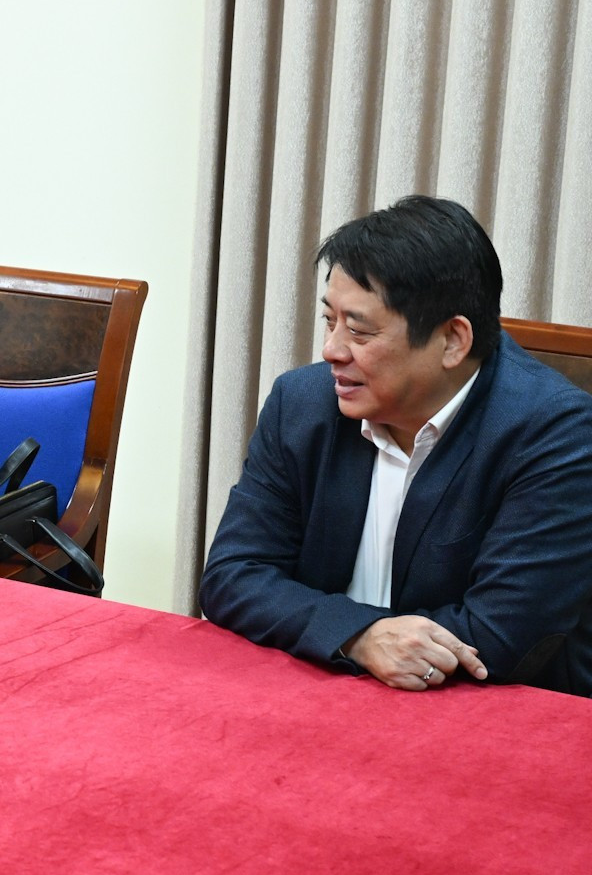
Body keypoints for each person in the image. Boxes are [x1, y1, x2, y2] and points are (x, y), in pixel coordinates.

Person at [201, 195, 592, 695]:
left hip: (483, 716)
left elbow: (501, 637)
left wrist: (335, 631)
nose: (332, 350)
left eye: (359, 330)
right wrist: (359, 636)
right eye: (330, 320)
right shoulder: (301, 404)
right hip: (322, 685)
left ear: (453, 340)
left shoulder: (554, 435)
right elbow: (233, 576)